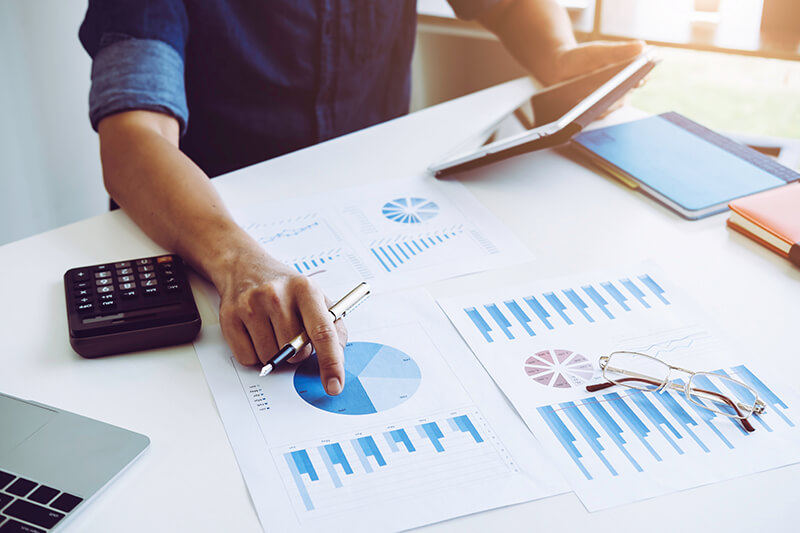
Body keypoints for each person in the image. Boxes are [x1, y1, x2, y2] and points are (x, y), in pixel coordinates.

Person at [79, 0, 643, 396]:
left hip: (375, 226)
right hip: (204, 243)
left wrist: (558, 55)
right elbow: (133, 138)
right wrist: (233, 258)